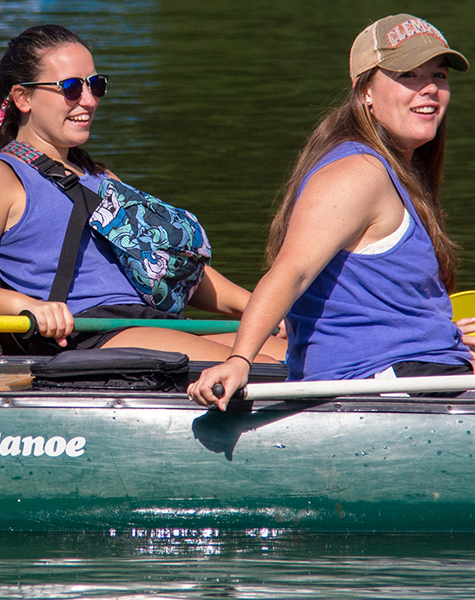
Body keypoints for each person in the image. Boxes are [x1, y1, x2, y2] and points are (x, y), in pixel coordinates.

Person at [188, 13, 474, 410]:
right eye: (408, 75)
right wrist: (240, 360)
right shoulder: (359, 172)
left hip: (416, 369)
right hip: (376, 385)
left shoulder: (397, 168)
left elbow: (376, 298)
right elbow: (292, 271)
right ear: (365, 91)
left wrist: (444, 336)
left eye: (439, 76)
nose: (429, 89)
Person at [0, 24, 286, 361]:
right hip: (83, 338)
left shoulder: (100, 177)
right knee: (261, 366)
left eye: (96, 85)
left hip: (147, 325)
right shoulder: (7, 177)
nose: (89, 100)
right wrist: (23, 304)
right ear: (23, 97)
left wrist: (260, 309)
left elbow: (169, 268)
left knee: (303, 357)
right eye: (71, 87)